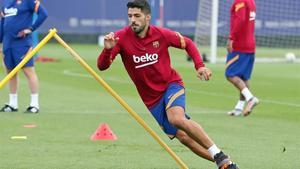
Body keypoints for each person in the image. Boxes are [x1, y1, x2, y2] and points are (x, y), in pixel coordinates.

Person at [97, 0, 238, 168]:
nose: (133, 20)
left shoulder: (161, 34)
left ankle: (218, 153)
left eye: (137, 16)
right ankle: (226, 164)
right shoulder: (120, 38)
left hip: (171, 85)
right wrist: (107, 49)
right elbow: (102, 66)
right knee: (184, 138)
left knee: (176, 118)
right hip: (151, 100)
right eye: (130, 16)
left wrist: (199, 65)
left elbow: (188, 43)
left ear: (147, 17)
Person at [0, 0, 48, 113]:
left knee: (28, 71)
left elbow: (43, 14)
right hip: (8, 43)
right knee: (10, 73)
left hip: (22, 43)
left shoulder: (29, 1)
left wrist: (31, 29)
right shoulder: (6, 2)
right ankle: (12, 103)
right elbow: (3, 22)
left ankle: (34, 104)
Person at [226, 0, 259, 117]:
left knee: (230, 74)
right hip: (250, 45)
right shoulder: (251, 2)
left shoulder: (240, 2)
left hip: (240, 45)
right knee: (243, 78)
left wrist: (231, 38)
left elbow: (240, 20)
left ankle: (250, 98)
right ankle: (239, 107)